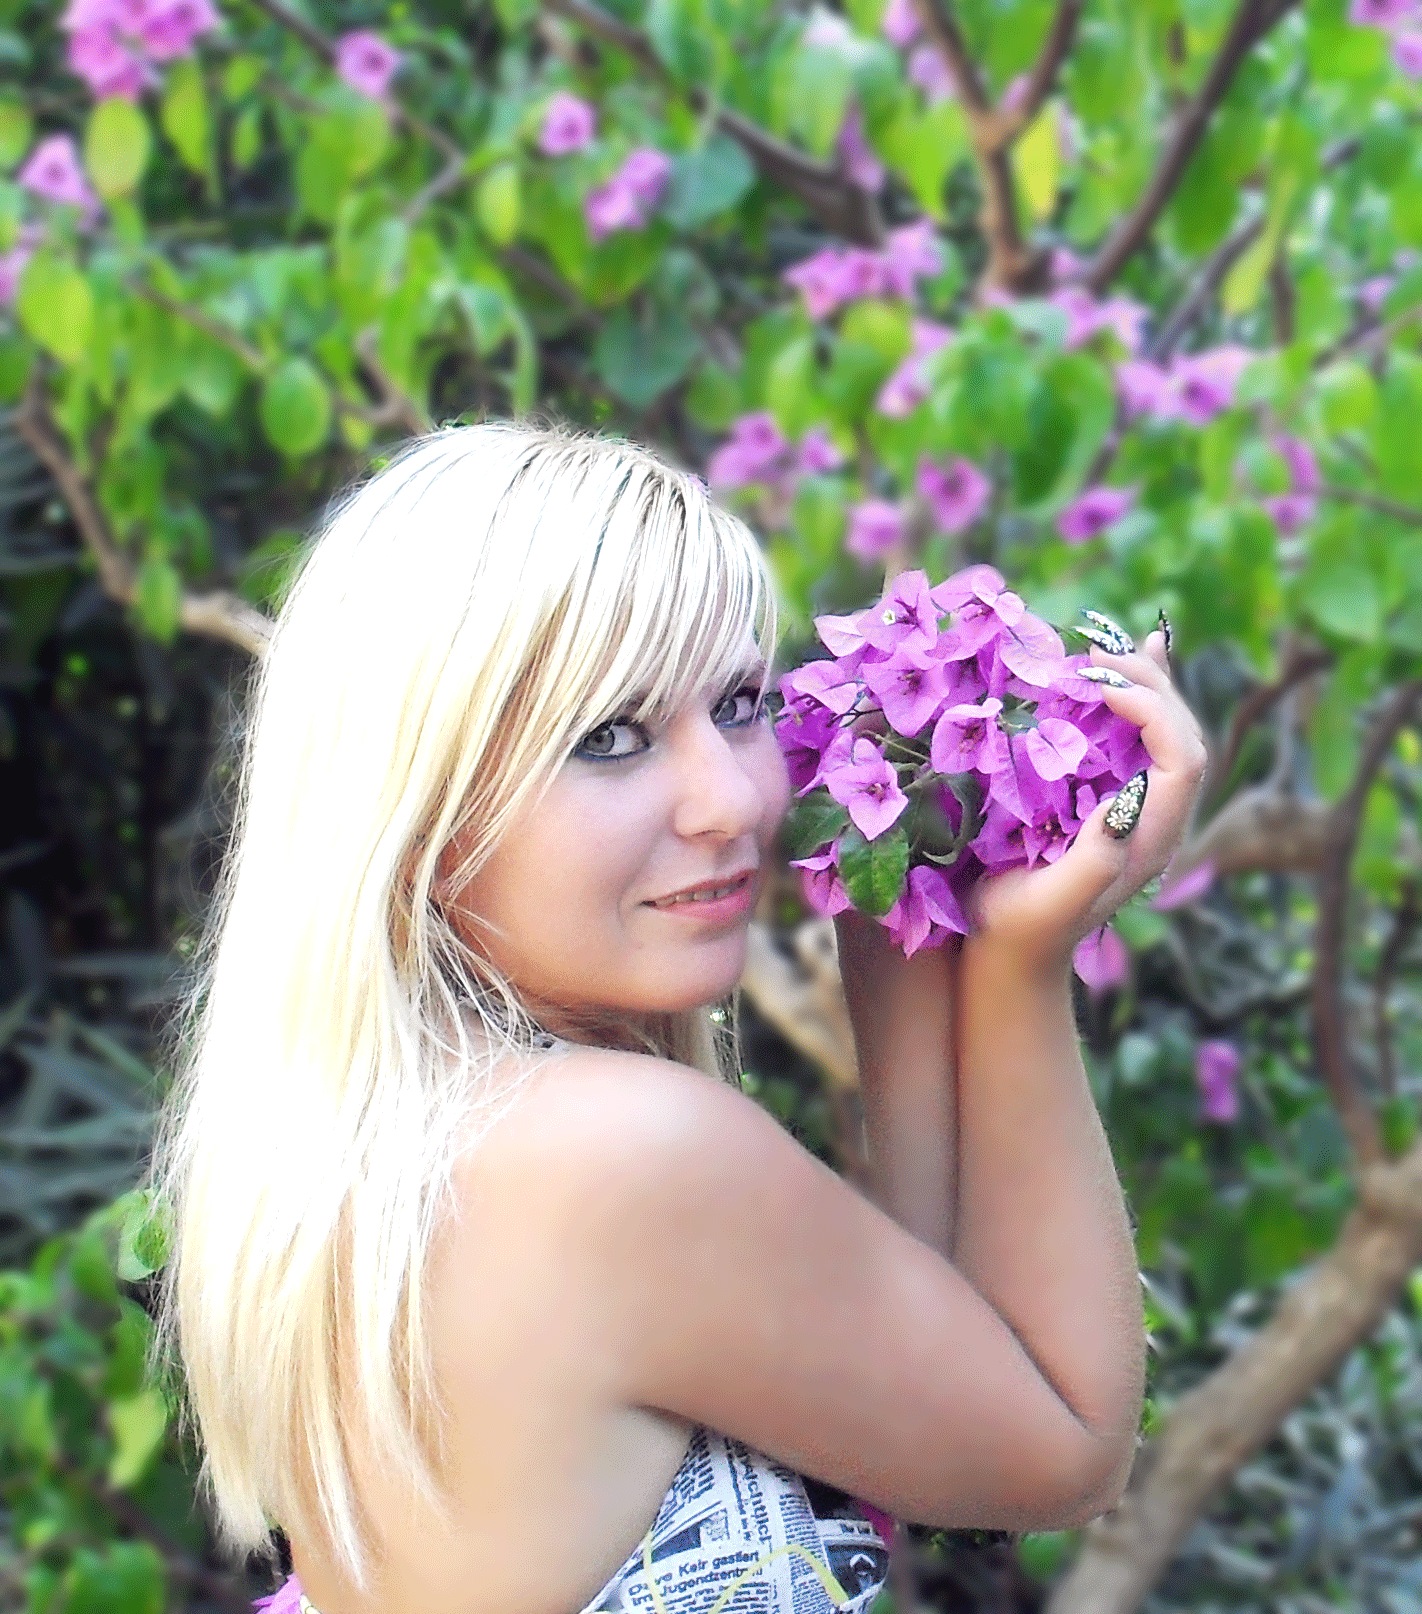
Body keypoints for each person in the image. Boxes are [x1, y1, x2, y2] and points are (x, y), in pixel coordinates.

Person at [143, 417, 1207, 1614]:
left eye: (741, 704)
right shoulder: (619, 1153)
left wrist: (904, 915)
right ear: (420, 808)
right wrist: (1022, 969)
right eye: (611, 737)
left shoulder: (385, 1146)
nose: (732, 800)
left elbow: (946, 1366)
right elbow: (1062, 1449)